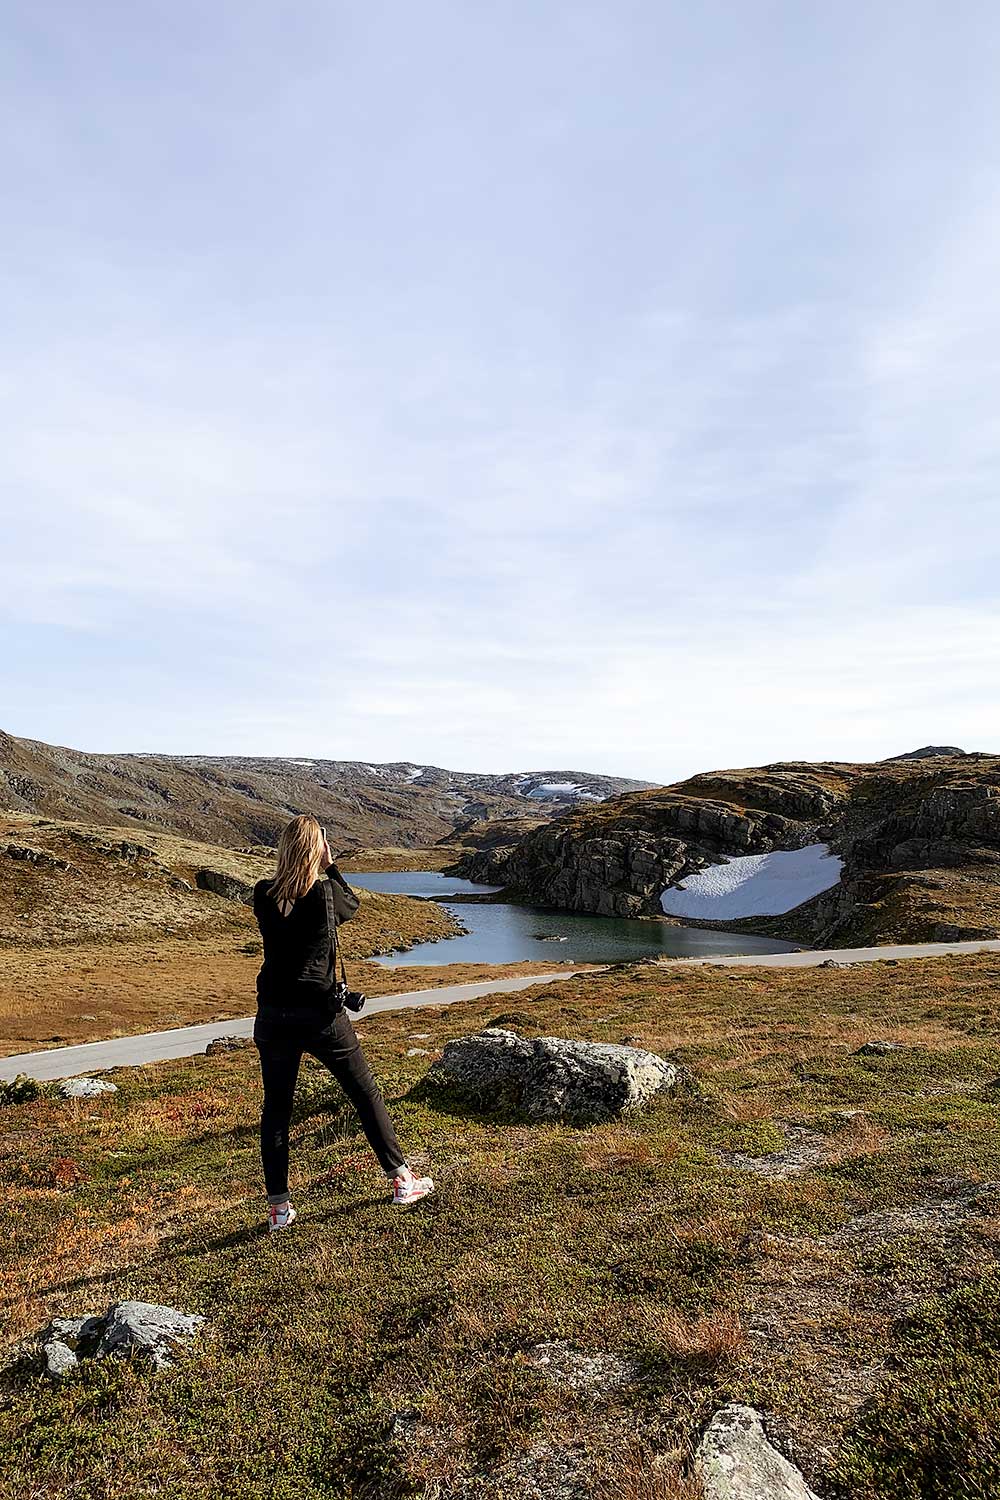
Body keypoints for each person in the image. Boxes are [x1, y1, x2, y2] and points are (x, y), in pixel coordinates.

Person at [252, 814, 433, 1230]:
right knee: (365, 1093)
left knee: (277, 1109)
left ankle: (279, 1209)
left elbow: (283, 911)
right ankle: (403, 1180)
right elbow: (352, 904)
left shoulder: (263, 894)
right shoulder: (325, 894)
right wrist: (330, 864)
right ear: (318, 848)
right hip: (319, 1014)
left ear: (282, 848)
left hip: (273, 1016)